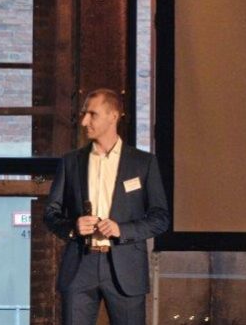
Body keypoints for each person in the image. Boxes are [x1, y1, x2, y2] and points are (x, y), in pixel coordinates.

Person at [45, 88, 169, 325]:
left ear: (113, 116)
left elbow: (160, 218)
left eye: (92, 114)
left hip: (126, 267)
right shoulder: (71, 162)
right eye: (84, 114)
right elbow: (51, 214)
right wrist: (73, 227)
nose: (84, 121)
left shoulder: (143, 163)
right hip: (80, 266)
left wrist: (122, 229)